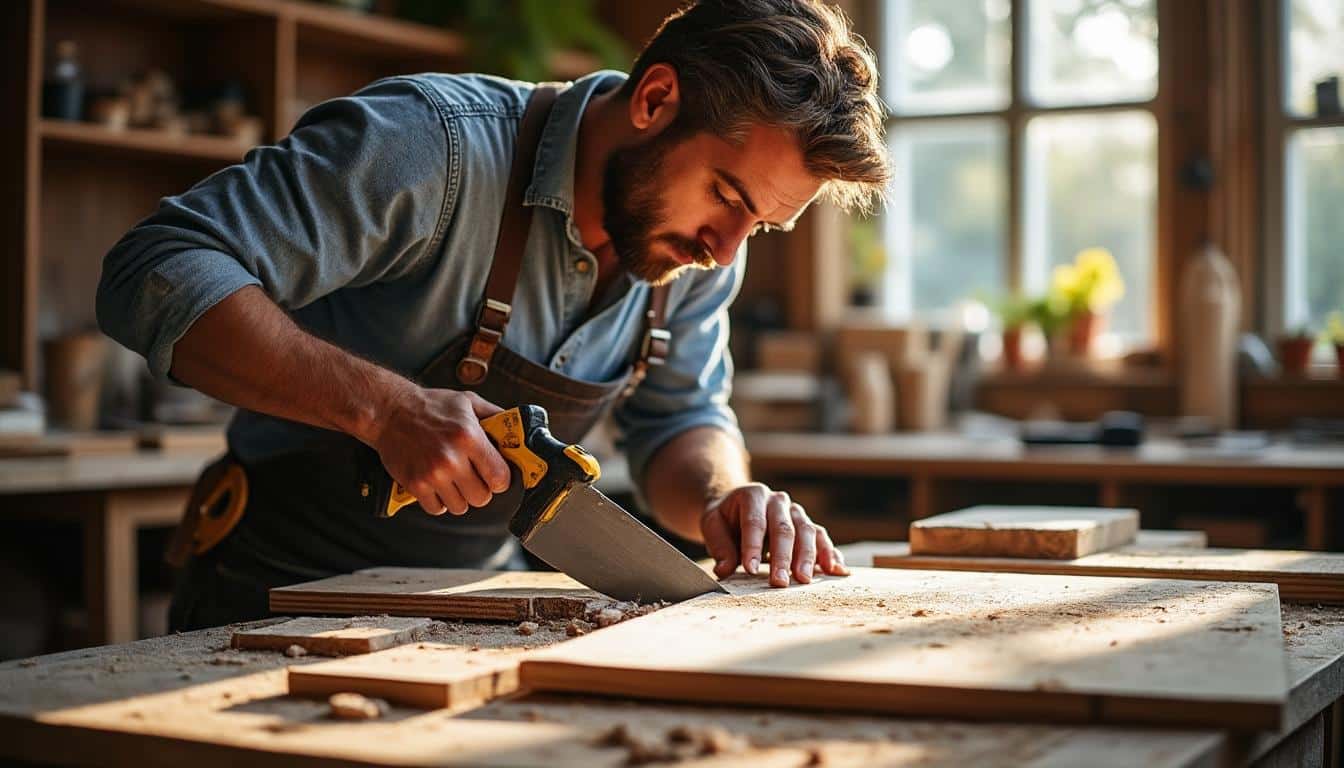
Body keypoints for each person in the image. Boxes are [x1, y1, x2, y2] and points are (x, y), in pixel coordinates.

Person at [96, 0, 890, 631]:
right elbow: (155, 268)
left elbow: (680, 418)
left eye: (763, 226)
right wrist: (384, 410)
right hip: (268, 595)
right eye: (727, 196)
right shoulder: (432, 148)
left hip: (466, 609)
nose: (726, 250)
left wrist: (722, 498)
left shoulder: (700, 251)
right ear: (655, 98)